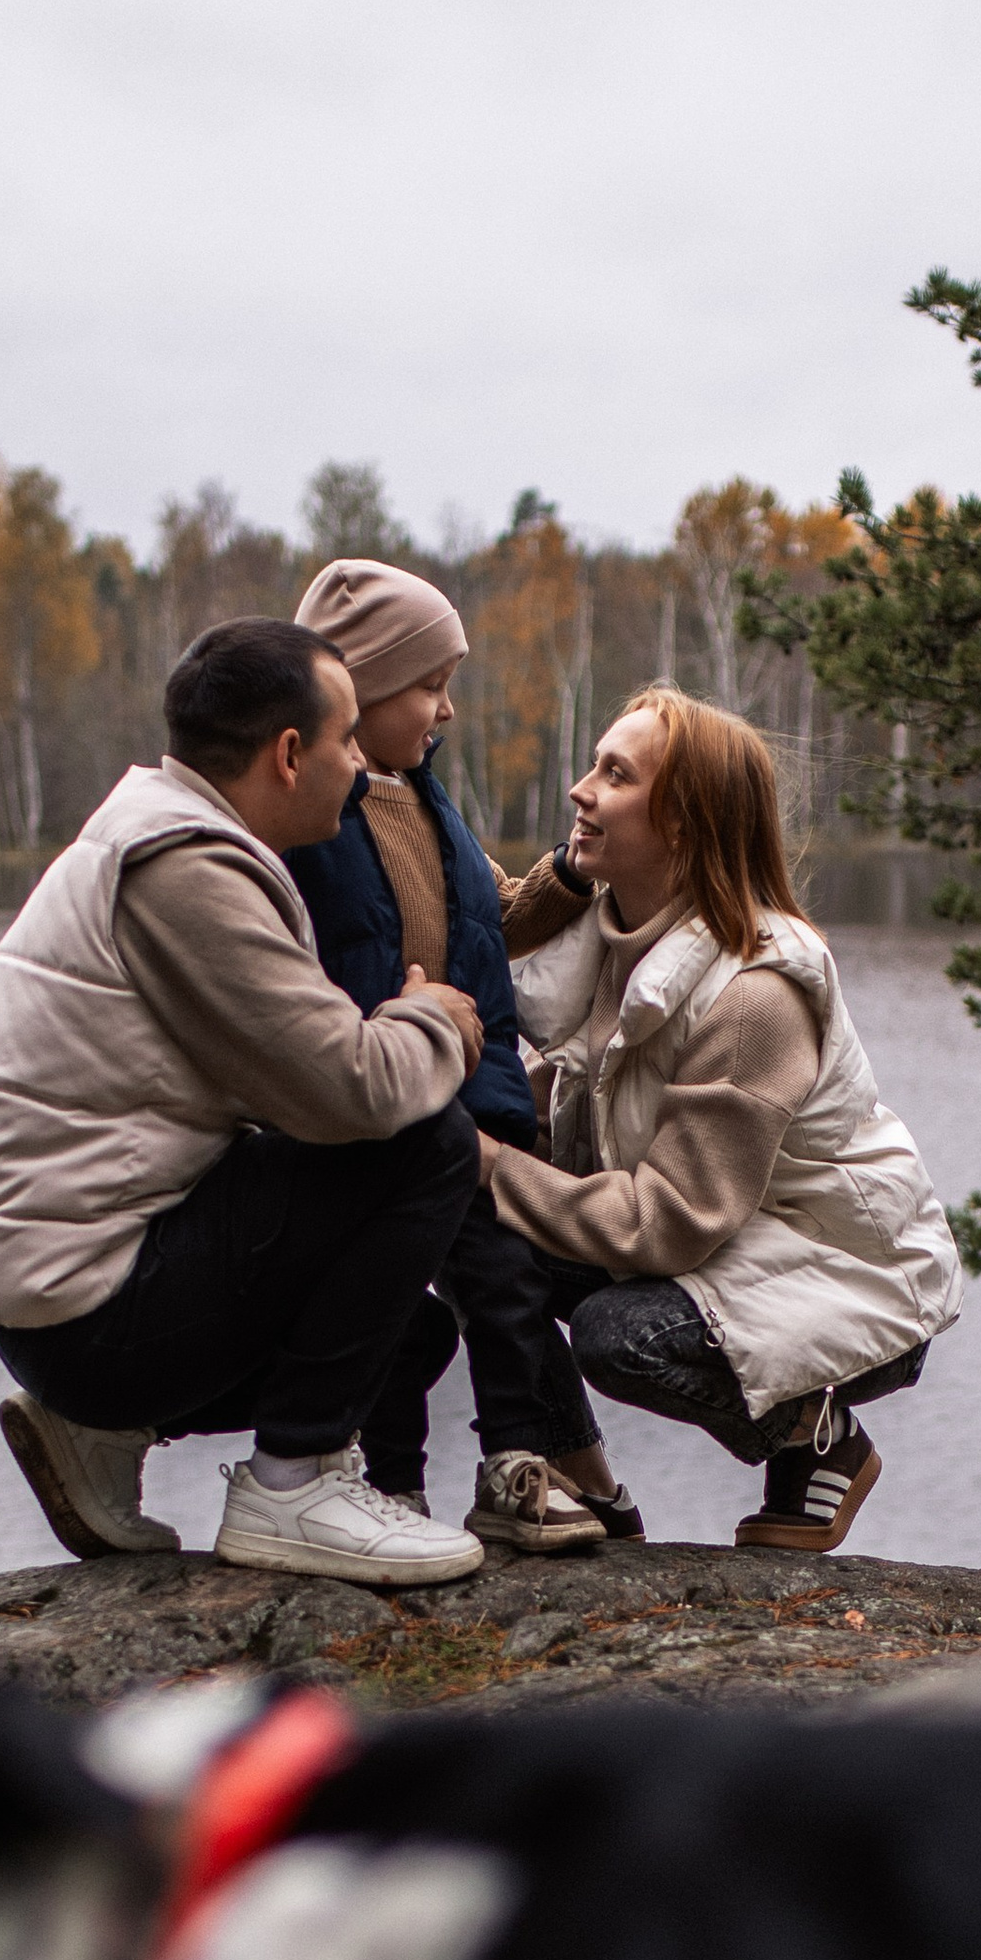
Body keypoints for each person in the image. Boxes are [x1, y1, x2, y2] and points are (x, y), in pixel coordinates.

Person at [0, 617, 493, 1586]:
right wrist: (437, 1023)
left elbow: (293, 1088)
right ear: (290, 754)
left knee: (410, 1339)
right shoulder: (184, 870)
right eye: (347, 744)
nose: (364, 772)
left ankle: (102, 1435)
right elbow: (352, 1090)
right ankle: (290, 1489)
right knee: (432, 1142)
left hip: (70, 1305)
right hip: (89, 1318)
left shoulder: (157, 835)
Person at [484, 687, 963, 1551]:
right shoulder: (608, 940)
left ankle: (818, 1437)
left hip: (849, 1278)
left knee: (617, 1337)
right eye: (593, 765)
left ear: (682, 823)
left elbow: (668, 1225)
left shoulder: (756, 994)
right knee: (478, 1244)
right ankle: (585, 1485)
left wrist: (484, 1164)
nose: (580, 792)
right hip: (738, 1241)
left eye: (615, 776)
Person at [285, 555, 630, 1550]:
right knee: (404, 1303)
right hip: (376, 1104)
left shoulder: (426, 810)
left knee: (503, 1282)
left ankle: (514, 1467)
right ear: (355, 690)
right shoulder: (312, 821)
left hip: (470, 1103)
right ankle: (395, 1490)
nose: (445, 710)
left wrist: (568, 874)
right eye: (429, 687)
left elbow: (491, 920)